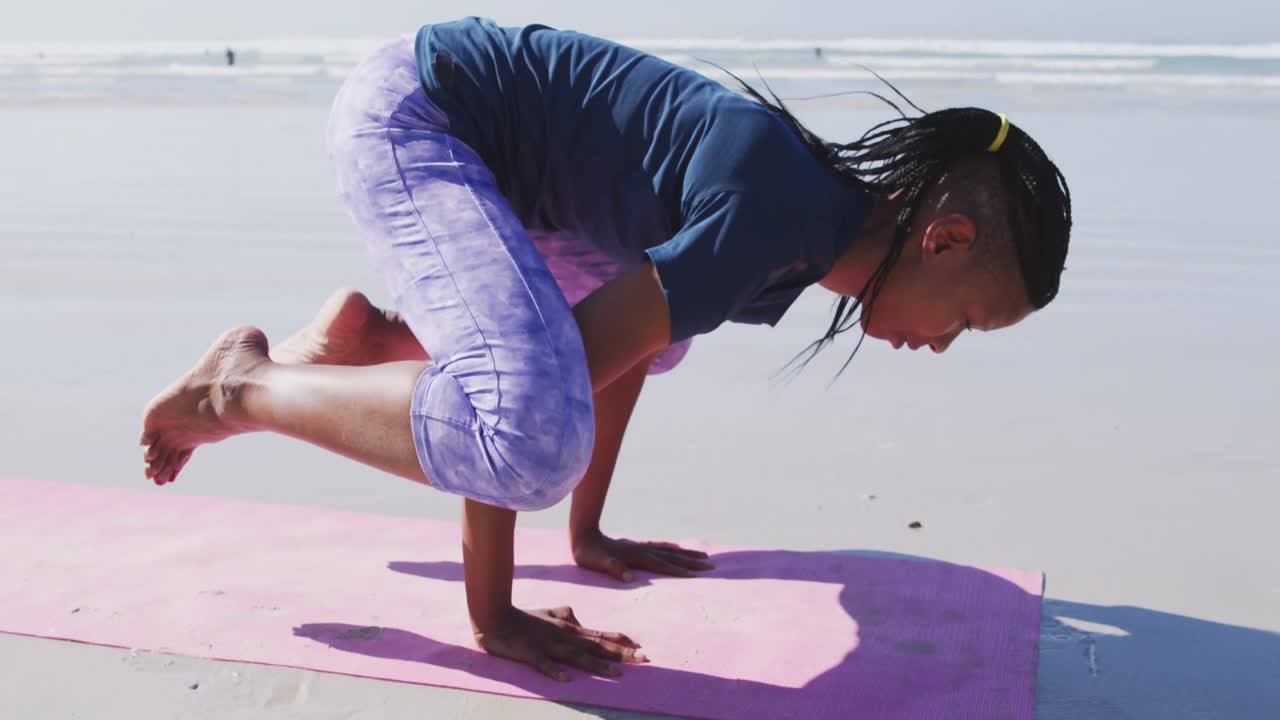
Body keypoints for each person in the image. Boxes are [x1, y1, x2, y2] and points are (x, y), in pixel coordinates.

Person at [141, 17, 1071, 682]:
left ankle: (372, 339)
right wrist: (493, 614)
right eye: (968, 321)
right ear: (944, 240)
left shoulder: (808, 230)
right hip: (422, 118)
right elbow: (535, 406)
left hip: (522, 174)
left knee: (650, 350)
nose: (944, 345)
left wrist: (586, 537)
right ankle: (243, 387)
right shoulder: (776, 219)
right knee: (526, 433)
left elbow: (617, 350)